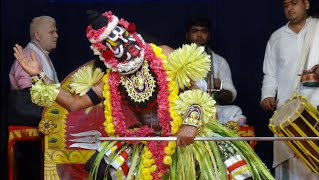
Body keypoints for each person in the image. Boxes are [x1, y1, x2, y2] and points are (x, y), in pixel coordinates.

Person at [13, 10, 274, 179]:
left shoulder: (164, 55)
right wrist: (38, 75)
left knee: (235, 173)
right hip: (143, 141)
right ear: (106, 53)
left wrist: (190, 124)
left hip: (186, 136)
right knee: (101, 169)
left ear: (131, 33)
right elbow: (73, 102)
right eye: (113, 45)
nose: (122, 47)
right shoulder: (112, 78)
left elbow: (197, 94)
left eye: (123, 38)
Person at [260, 0, 319, 179]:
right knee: (289, 167)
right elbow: (270, 73)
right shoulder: (276, 37)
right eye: (285, 5)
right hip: (286, 112)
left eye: (294, 3)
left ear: (306, 4)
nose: (289, 9)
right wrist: (267, 95)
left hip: (315, 107)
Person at [185, 16, 249, 127]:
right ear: (187, 35)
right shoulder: (178, 57)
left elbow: (230, 96)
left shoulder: (219, 61)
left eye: (203, 31)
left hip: (212, 110)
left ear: (208, 35)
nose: (199, 35)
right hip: (185, 109)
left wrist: (219, 87)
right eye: (195, 31)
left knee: (235, 111)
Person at [8, 15, 59, 126]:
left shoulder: (42, 55)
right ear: (38, 35)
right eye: (51, 32)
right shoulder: (28, 56)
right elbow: (29, 96)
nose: (56, 35)